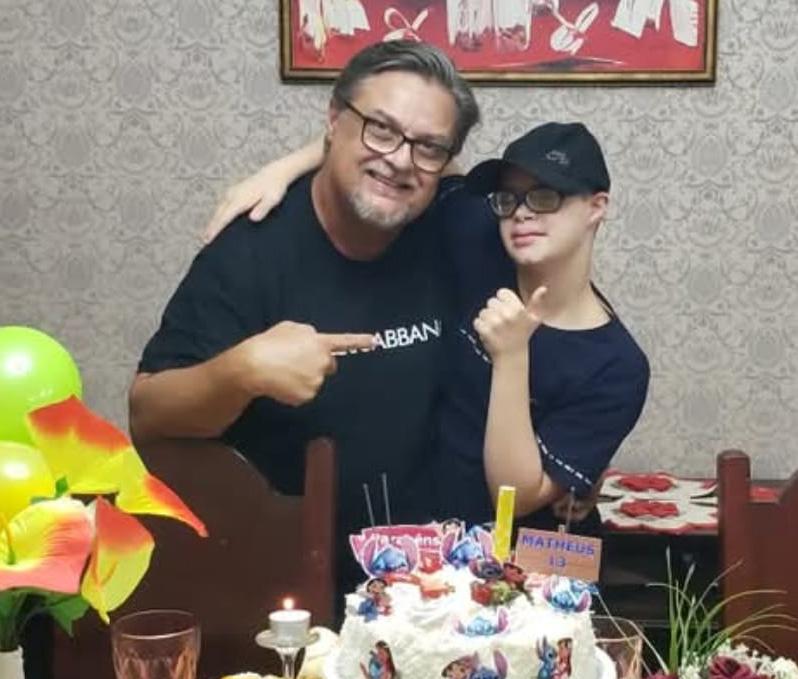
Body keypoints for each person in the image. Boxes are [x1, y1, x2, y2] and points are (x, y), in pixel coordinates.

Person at [130, 40, 480, 598]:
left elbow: (550, 222)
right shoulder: (250, 249)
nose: (399, 159)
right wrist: (241, 372)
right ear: (334, 121)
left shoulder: (450, 226)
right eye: (380, 129)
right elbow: (147, 414)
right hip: (278, 590)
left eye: (428, 147)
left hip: (425, 591)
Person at [198, 120, 649, 538]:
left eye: (546, 197)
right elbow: (409, 141)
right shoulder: (481, 236)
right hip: (416, 542)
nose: (521, 214)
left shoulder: (615, 366)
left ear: (596, 207)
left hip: (515, 571)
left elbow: (514, 496)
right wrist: (283, 169)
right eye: (508, 199)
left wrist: (512, 357)